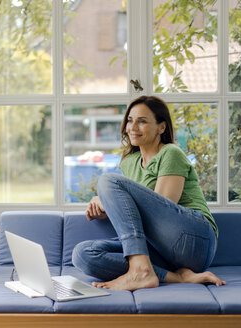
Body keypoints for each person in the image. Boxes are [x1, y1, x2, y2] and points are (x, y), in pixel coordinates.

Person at [72, 96, 226, 291]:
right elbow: (132, 214)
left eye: (142, 121)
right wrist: (109, 206)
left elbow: (163, 205)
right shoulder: (129, 162)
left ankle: (140, 269)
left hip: (195, 239)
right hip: (161, 250)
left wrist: (104, 199)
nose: (133, 127)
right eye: (130, 120)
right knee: (83, 254)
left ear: (161, 127)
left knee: (107, 181)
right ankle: (173, 276)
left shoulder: (170, 153)